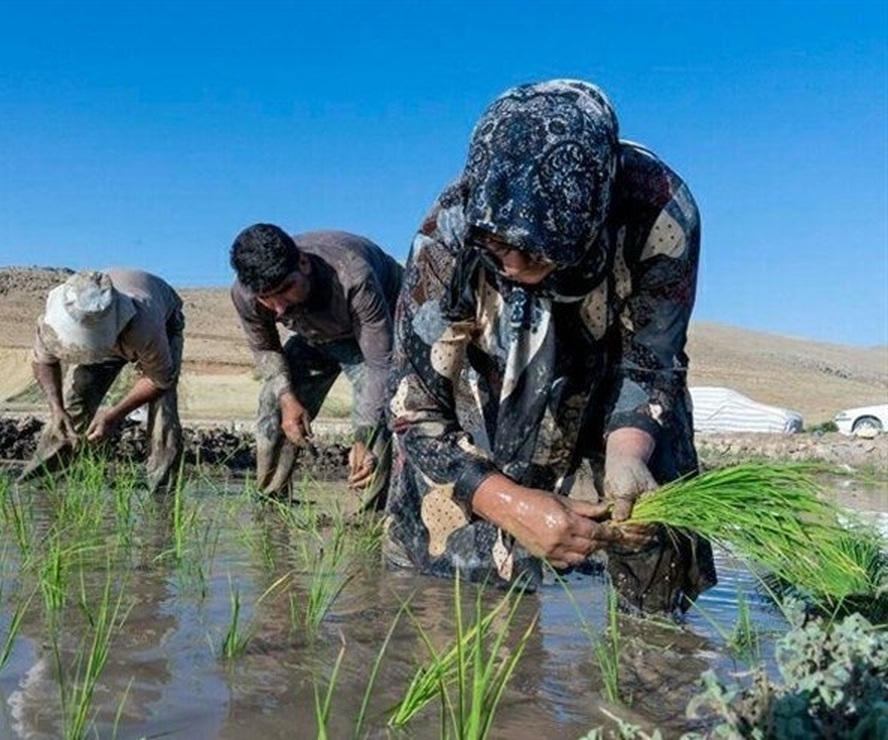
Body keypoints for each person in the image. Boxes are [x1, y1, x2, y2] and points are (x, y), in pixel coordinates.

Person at [384, 79, 716, 613]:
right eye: (499, 246)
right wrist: (509, 503)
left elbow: (652, 360)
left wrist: (628, 453)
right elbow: (414, 408)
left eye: (537, 251)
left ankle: (654, 649)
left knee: (653, 532)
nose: (515, 266)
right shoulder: (448, 233)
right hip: (495, 374)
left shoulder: (660, 213)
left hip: (614, 370)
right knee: (459, 592)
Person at [230, 224, 403, 510]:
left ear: (303, 263)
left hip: (376, 330)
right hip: (314, 334)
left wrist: (364, 436)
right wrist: (287, 399)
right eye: (266, 298)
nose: (279, 308)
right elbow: (266, 349)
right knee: (273, 406)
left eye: (285, 290)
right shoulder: (245, 294)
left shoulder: (352, 276)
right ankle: (272, 503)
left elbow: (379, 364)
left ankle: (372, 516)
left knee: (376, 416)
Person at [20, 269, 185, 492]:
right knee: (70, 407)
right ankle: (38, 482)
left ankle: (162, 489)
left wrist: (113, 415)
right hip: (114, 329)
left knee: (163, 409)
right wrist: (56, 409)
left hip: (163, 324)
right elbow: (44, 362)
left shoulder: (144, 324)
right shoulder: (53, 318)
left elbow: (159, 381)